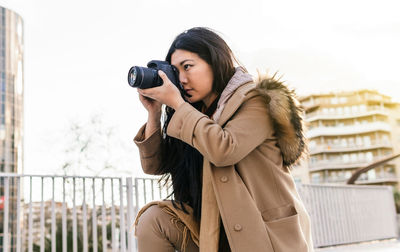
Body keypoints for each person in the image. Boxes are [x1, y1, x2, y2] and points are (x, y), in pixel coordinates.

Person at [133, 27, 313, 252]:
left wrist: (178, 105)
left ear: (215, 61)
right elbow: (154, 165)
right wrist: (154, 113)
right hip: (215, 232)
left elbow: (224, 149)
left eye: (188, 66)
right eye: (175, 71)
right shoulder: (194, 116)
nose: (182, 79)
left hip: (263, 236)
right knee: (154, 219)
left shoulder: (257, 100)